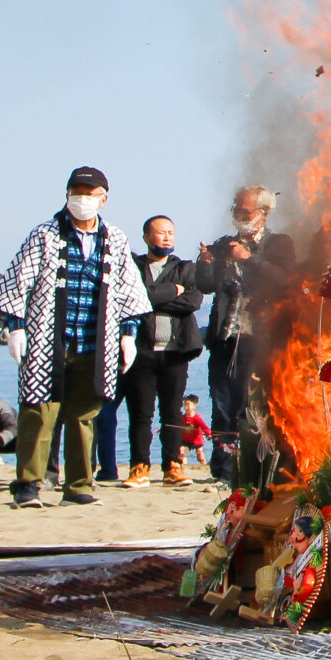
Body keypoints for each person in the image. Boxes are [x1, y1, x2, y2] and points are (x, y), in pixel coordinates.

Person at [0, 167, 151, 507]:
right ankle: (28, 484)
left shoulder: (115, 238)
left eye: (89, 194)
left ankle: (79, 485)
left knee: (84, 415)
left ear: (103, 199)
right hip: (47, 338)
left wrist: (128, 334)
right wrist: (15, 326)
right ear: (66, 195)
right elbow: (18, 281)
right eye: (76, 192)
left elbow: (128, 289)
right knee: (38, 411)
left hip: (95, 340)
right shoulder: (44, 234)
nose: (82, 199)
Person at [194, 185, 287, 486]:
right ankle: (223, 470)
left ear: (264, 212)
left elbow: (284, 281)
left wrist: (249, 258)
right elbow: (206, 286)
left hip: (259, 340)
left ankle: (257, 467)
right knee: (222, 402)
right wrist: (204, 264)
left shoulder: (279, 244)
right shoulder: (224, 245)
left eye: (245, 212)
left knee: (254, 406)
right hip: (225, 337)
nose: (239, 216)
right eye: (236, 210)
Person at [123, 215, 204, 487]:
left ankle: (172, 466)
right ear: (147, 237)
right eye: (161, 232)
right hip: (141, 351)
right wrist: (172, 291)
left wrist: (153, 298)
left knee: (171, 413)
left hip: (175, 352)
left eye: (171, 232)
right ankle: (139, 466)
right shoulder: (134, 267)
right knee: (141, 413)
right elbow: (134, 299)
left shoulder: (185, 268)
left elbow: (193, 301)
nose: (167, 237)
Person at [179, 394, 212, 470]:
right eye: (184, 405)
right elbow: (175, 425)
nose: (185, 407)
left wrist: (208, 434)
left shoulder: (197, 418)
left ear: (194, 406)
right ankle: (185, 468)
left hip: (197, 441)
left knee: (200, 457)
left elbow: (204, 427)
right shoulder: (182, 417)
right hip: (185, 441)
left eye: (188, 405)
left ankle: (205, 467)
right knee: (182, 453)